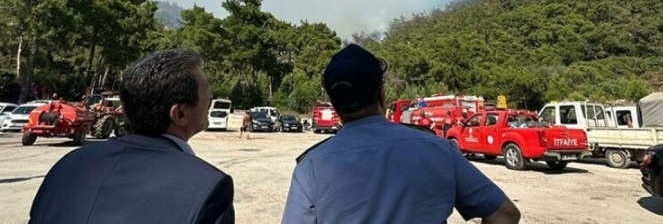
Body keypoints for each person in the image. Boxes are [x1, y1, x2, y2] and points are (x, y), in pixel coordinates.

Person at [281, 44, 521, 224]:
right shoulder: (438, 150)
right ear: (382, 95)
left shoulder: (311, 167)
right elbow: (506, 215)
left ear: (333, 105)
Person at [29, 49, 235, 224]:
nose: (210, 98)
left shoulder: (68, 166)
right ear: (179, 114)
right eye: (207, 93)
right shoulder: (208, 188)